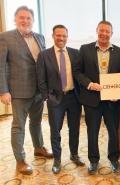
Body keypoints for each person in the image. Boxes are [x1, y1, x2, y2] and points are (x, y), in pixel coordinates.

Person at [0, 6, 53, 175]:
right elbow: (0, 66)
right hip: (18, 92)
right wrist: (3, 91)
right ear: (15, 20)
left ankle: (38, 148)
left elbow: (43, 64)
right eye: (21, 18)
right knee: (18, 127)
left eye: (28, 18)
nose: (25, 21)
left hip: (38, 91)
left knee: (36, 122)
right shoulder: (5, 37)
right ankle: (20, 160)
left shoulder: (40, 37)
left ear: (33, 20)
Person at [74, 21, 120, 174]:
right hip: (91, 99)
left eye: (107, 31)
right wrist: (89, 84)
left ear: (111, 33)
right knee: (92, 131)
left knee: (113, 131)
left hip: (112, 101)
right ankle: (94, 161)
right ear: (97, 31)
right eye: (101, 30)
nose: (104, 34)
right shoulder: (84, 49)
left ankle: (114, 159)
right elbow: (77, 72)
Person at [36, 25, 84, 174]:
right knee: (55, 130)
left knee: (74, 128)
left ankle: (74, 154)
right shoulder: (44, 55)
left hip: (73, 97)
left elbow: (80, 74)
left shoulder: (75, 54)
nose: (61, 38)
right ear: (53, 36)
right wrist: (46, 97)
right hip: (55, 99)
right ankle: (57, 159)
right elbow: (40, 78)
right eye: (58, 35)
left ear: (67, 37)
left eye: (64, 36)